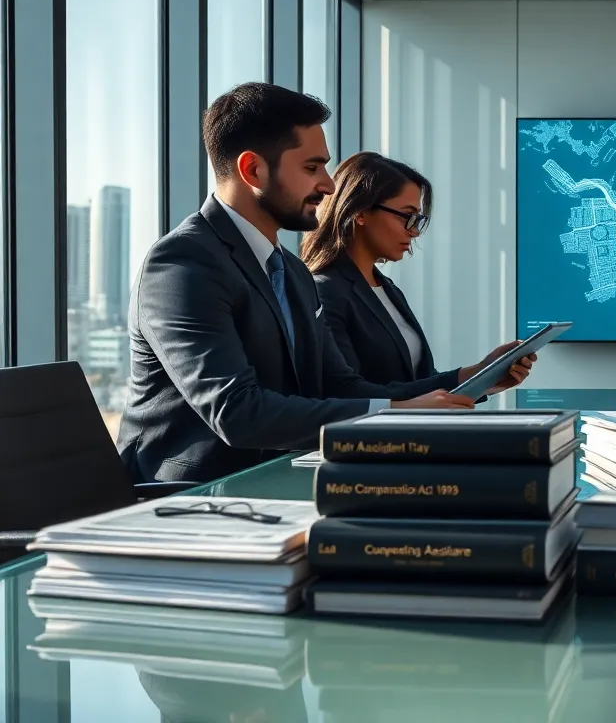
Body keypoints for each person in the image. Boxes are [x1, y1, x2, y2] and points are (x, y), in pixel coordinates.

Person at [117, 83, 527, 484]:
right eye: (312, 167)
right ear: (253, 169)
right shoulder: (182, 263)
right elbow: (237, 413)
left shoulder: (292, 272)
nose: (329, 185)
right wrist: (398, 414)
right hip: (191, 505)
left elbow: (339, 385)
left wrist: (470, 379)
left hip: (281, 486)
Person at [300, 152, 534, 389]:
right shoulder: (323, 291)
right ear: (360, 212)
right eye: (408, 217)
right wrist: (474, 374)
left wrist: (484, 377)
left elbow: (419, 380)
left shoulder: (387, 289)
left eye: (417, 220)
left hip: (412, 426)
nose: (415, 231)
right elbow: (348, 393)